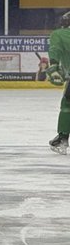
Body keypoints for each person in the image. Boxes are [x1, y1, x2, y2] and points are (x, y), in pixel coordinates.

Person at [45, 10, 70, 154]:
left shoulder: (59, 35)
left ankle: (62, 139)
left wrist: (54, 67)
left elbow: (55, 50)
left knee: (67, 105)